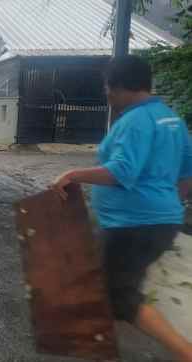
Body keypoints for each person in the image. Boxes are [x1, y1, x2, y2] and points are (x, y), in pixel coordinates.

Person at [52, 55, 192, 362]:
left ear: (120, 87)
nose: (107, 95)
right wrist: (167, 209)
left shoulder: (134, 121)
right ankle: (93, 345)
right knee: (102, 286)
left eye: (108, 88)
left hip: (134, 224)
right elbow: (186, 177)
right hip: (152, 221)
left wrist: (73, 175)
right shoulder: (172, 120)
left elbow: (121, 172)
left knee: (119, 296)